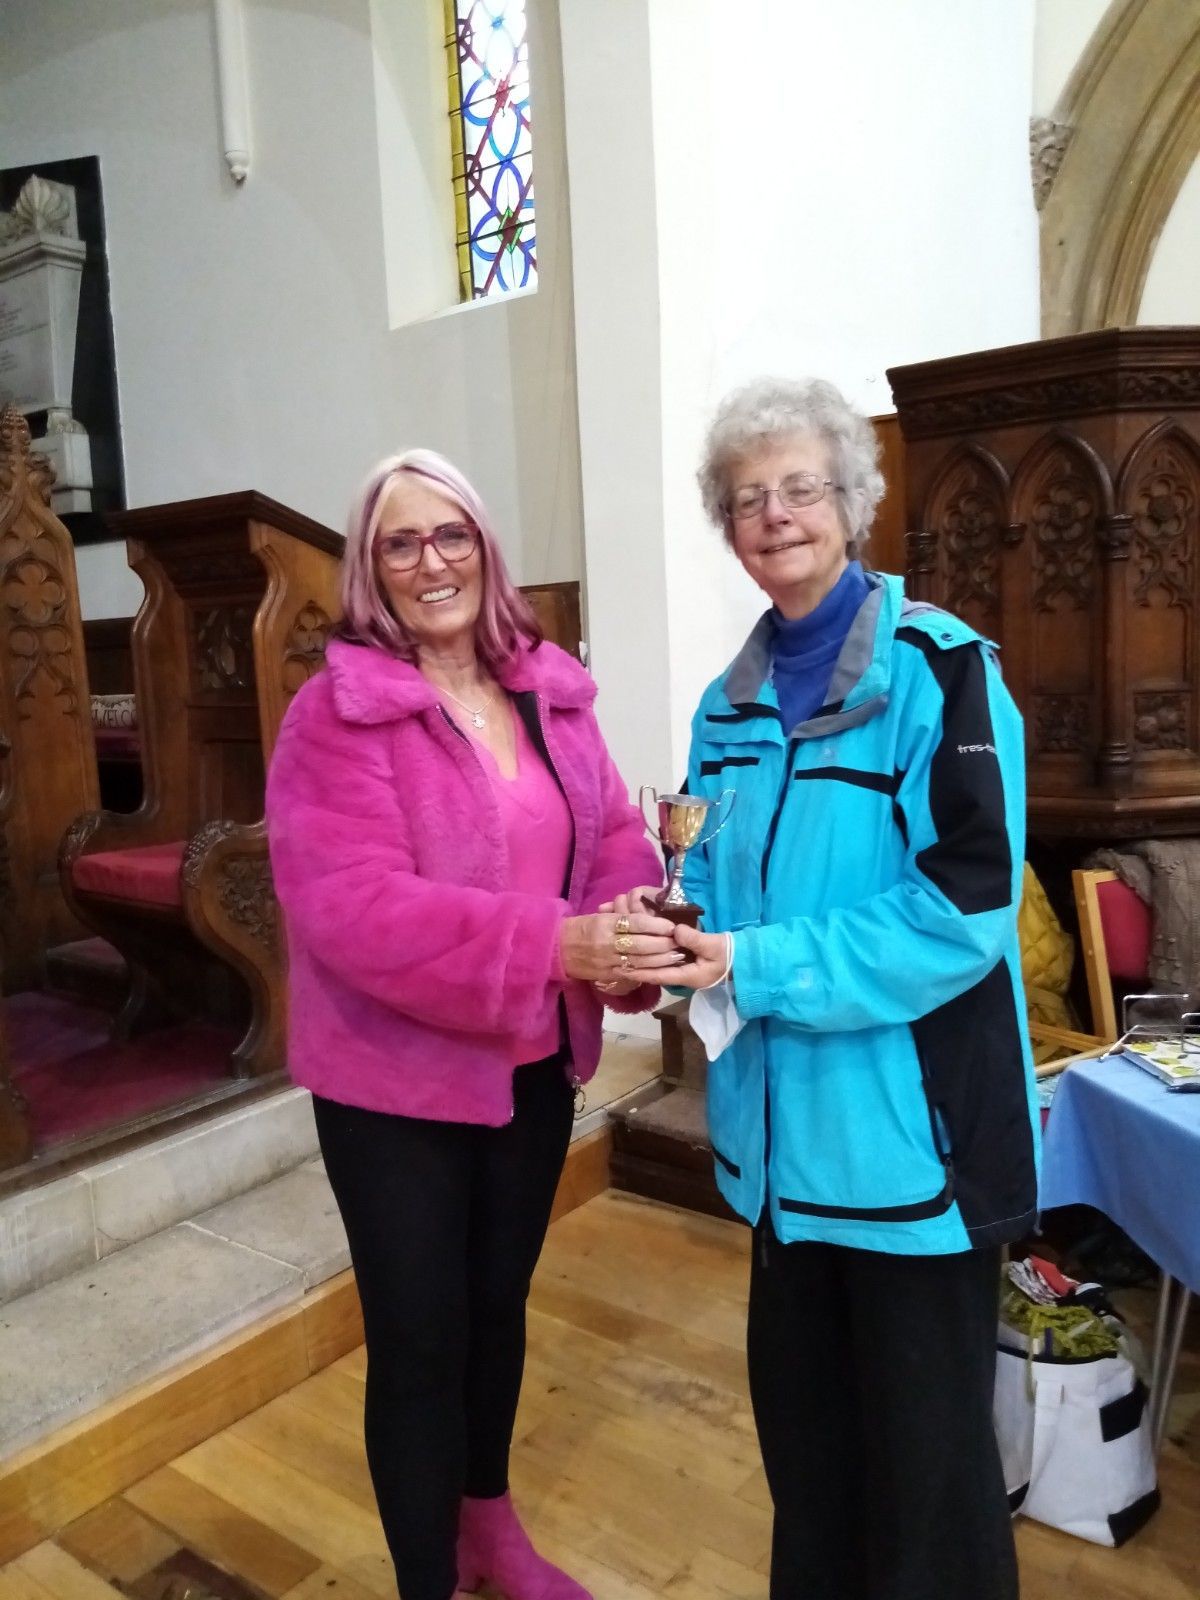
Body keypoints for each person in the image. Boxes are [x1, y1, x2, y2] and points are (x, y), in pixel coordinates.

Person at [614, 378, 1038, 1600]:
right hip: (777, 1166)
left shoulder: (938, 672)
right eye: (747, 498)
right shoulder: (725, 706)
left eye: (801, 487)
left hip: (910, 1157)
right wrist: (677, 928)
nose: (775, 515)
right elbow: (723, 899)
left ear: (851, 500)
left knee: (931, 1487)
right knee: (810, 1466)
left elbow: (960, 917)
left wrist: (754, 962)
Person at [265, 448, 677, 1600]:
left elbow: (610, 836)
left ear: (485, 550)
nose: (431, 560)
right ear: (370, 569)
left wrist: (628, 915)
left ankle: (487, 1527)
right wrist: (556, 944)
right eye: (401, 541)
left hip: (531, 1066)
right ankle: (425, 1584)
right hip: (393, 1087)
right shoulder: (334, 716)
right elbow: (352, 910)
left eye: (451, 534)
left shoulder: (550, 689)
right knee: (419, 1339)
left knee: (497, 1310)